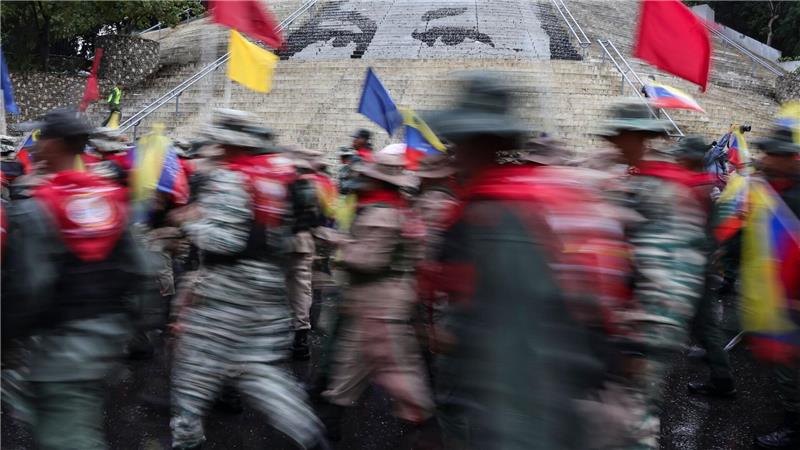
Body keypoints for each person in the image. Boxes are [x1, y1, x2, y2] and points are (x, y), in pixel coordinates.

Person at [423, 73, 602, 449]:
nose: (454, 150)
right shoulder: (494, 200)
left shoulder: (498, 214)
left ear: (480, 142)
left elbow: (518, 334)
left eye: (460, 141)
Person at [167, 109, 324, 450]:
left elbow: (225, 242)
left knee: (195, 365)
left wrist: (188, 221)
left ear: (228, 143)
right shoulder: (280, 174)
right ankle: (310, 435)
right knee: (258, 368)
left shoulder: (230, 179)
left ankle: (186, 438)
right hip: (267, 285)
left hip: (225, 289)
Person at [1, 109, 150, 450]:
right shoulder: (108, 195)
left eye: (41, 138)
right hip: (105, 335)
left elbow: (31, 287)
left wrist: (5, 338)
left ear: (56, 145)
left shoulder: (37, 205)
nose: (35, 145)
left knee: (67, 437)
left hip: (61, 345)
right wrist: (131, 326)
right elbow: (141, 268)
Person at [599, 101, 708, 450]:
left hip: (650, 323)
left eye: (620, 136)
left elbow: (671, 271)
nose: (614, 143)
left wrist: (641, 339)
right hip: (629, 320)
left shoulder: (662, 189)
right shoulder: (638, 180)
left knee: (637, 420)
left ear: (638, 137)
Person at [321, 150, 434, 440]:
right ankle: (331, 420)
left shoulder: (382, 214)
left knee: (396, 366)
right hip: (382, 298)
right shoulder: (401, 209)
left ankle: (424, 426)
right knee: (353, 361)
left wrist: (339, 243)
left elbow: (368, 261)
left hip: (379, 301)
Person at [673, 136, 737, 398]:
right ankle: (718, 367)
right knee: (703, 323)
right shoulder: (707, 184)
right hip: (701, 262)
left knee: (705, 325)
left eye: (682, 154)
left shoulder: (695, 187)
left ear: (692, 157)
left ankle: (722, 380)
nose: (678, 158)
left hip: (694, 264)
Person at [750, 125, 800, 449]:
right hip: (783, 292)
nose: (764, 159)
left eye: (771, 154)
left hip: (795, 298)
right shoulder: (777, 187)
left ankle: (794, 429)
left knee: (790, 369)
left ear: (788, 157)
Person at [285, 145, 324, 360]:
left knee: (278, 289)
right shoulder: (312, 186)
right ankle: (301, 337)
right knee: (302, 290)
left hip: (285, 243)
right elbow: (318, 218)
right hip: (305, 242)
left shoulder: (284, 184)